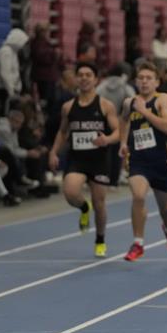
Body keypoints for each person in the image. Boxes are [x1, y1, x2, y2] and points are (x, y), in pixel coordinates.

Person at [49, 62, 120, 257]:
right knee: (70, 192)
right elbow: (62, 132)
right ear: (76, 79)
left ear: (96, 79)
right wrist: (54, 152)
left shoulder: (105, 105)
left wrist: (107, 139)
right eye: (80, 75)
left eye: (88, 75)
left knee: (100, 203)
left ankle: (100, 240)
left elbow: (118, 131)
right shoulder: (68, 107)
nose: (84, 78)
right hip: (77, 159)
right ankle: (83, 207)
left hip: (99, 160)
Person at [119, 61, 167, 262]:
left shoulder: (163, 100)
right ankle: (138, 243)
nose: (144, 82)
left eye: (149, 78)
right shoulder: (129, 102)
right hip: (138, 161)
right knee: (138, 196)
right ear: (136, 81)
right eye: (141, 78)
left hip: (160, 161)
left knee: (166, 209)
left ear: (157, 82)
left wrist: (144, 111)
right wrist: (123, 142)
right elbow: (124, 120)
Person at [0, 28, 28, 110]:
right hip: (5, 90)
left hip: (12, 89)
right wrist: (11, 92)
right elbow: (4, 73)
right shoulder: (5, 52)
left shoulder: (13, 52)